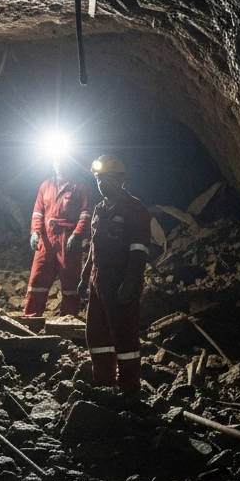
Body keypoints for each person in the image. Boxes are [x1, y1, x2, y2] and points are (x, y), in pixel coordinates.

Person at [77, 155, 154, 396]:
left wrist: (132, 281)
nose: (101, 184)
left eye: (107, 178)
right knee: (96, 335)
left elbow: (139, 249)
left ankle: (130, 387)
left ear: (121, 179)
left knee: (124, 336)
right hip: (98, 280)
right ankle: (103, 381)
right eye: (98, 178)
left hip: (119, 279)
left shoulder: (135, 208)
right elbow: (94, 248)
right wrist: (84, 277)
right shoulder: (100, 209)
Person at [23, 158, 94, 317]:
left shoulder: (81, 186)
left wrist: (77, 235)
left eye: (63, 162)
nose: (60, 166)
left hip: (67, 241)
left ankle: (68, 320)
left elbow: (86, 214)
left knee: (70, 283)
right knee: (38, 279)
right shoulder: (46, 185)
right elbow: (38, 212)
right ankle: (31, 319)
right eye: (56, 162)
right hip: (46, 241)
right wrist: (35, 231)